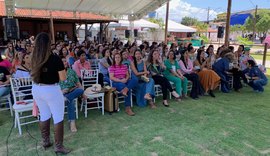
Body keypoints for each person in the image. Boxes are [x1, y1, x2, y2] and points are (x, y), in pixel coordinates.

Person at [31, 32, 70, 154]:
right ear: (49, 44)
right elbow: (63, 78)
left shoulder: (33, 57)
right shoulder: (55, 58)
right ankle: (58, 146)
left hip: (37, 89)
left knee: (44, 115)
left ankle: (46, 141)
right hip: (51, 90)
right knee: (58, 117)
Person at [59, 57, 85, 133]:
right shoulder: (56, 73)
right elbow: (54, 87)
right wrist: (62, 91)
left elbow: (78, 83)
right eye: (63, 61)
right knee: (71, 101)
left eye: (65, 61)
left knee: (80, 90)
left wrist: (83, 93)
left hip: (73, 91)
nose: (65, 63)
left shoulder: (72, 71)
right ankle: (72, 123)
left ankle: (67, 98)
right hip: (62, 93)